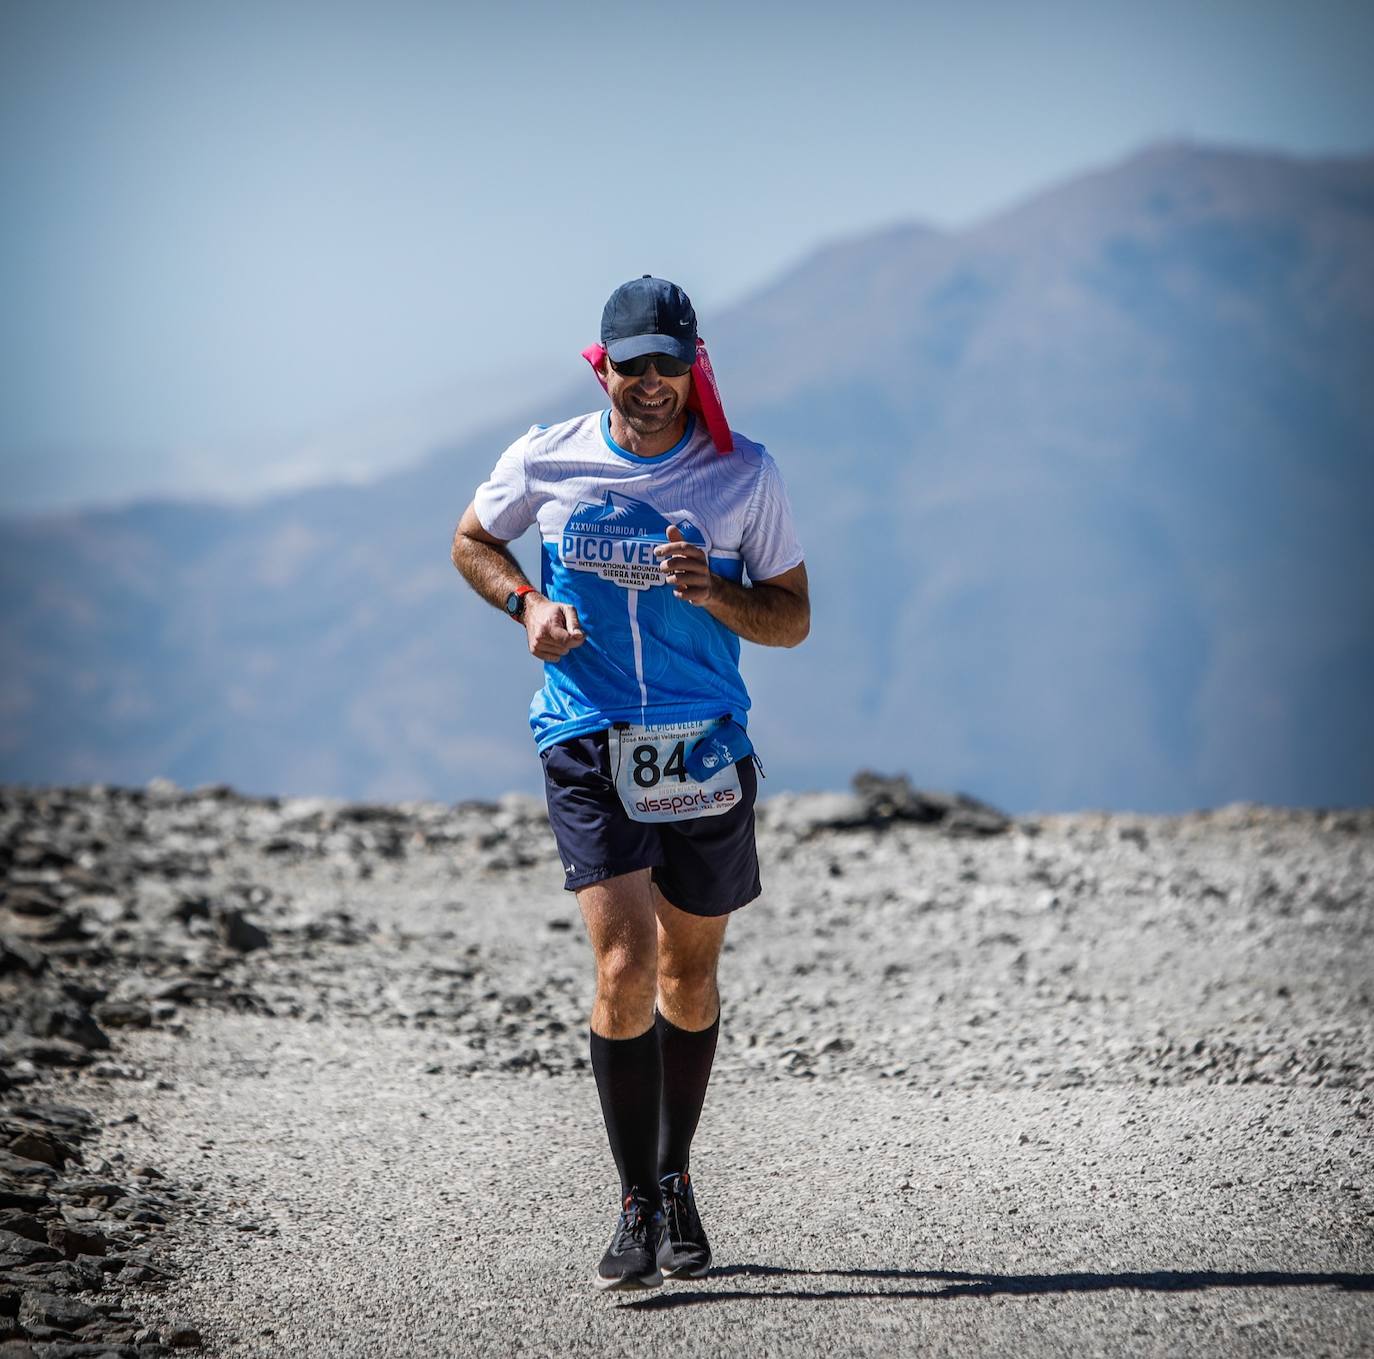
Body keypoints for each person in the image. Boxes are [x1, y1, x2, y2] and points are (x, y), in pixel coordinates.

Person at [450, 275, 809, 1291]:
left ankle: (677, 1170)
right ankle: (634, 1202)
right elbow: (472, 539)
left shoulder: (745, 476)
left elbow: (792, 617)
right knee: (623, 967)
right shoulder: (545, 456)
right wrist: (524, 603)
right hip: (586, 733)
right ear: (599, 364)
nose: (649, 382)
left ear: (697, 365)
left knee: (689, 978)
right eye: (630, 364)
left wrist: (720, 593)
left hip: (701, 746)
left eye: (669, 363)